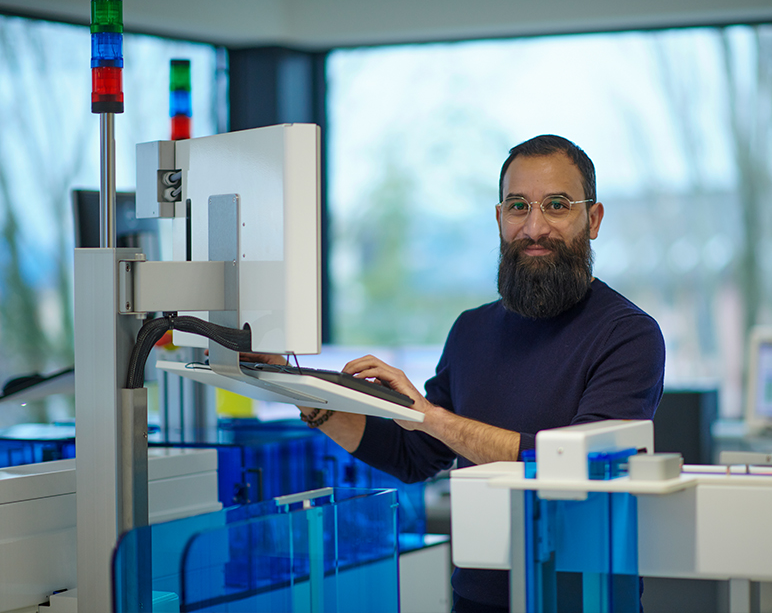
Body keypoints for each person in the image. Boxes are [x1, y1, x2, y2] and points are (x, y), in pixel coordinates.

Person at [257, 134, 666, 612]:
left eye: (556, 205)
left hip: (584, 600)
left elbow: (574, 466)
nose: (535, 227)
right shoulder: (471, 330)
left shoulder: (629, 335)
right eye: (518, 207)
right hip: (477, 598)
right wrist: (297, 387)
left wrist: (430, 416)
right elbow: (414, 456)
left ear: (592, 220)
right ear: (499, 219)